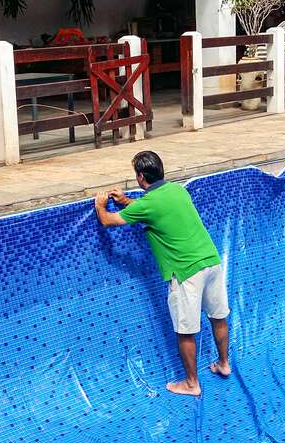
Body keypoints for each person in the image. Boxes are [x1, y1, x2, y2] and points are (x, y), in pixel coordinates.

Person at [94, 150, 230, 396]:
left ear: (140, 176)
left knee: (185, 330)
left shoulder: (148, 204)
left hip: (186, 272)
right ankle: (223, 364)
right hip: (211, 262)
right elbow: (155, 208)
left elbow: (108, 221)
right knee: (218, 317)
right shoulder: (178, 190)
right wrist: (126, 201)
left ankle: (191, 383)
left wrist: (101, 205)